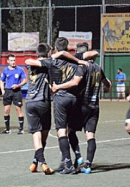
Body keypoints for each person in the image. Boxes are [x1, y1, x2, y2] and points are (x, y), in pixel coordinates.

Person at [25, 37, 96, 174]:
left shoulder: (49, 62)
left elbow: (29, 60)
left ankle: (63, 162)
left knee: (55, 132)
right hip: (72, 100)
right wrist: (79, 60)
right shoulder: (71, 60)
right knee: (68, 130)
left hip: (46, 99)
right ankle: (77, 156)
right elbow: (94, 54)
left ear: (55, 49)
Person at [52, 50, 111, 174]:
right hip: (94, 107)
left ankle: (78, 156)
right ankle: (88, 165)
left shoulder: (83, 67)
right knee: (90, 135)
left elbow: (75, 82)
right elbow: (108, 84)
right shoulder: (99, 68)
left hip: (82, 106)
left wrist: (57, 87)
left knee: (69, 131)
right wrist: (105, 88)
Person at [26, 43, 55, 175]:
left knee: (37, 135)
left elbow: (27, 60)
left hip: (30, 102)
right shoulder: (49, 63)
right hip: (42, 102)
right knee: (43, 135)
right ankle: (43, 163)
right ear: (48, 53)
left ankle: (35, 162)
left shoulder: (31, 63)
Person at [0, 54, 27, 134]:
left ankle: (21, 129)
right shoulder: (5, 70)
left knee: (18, 109)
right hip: (8, 91)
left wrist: (18, 85)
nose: (13, 62)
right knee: (6, 110)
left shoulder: (20, 69)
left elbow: (24, 80)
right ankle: (7, 129)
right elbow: (1, 80)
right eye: (11, 60)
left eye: (14, 60)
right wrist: (2, 90)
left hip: (17, 91)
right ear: (8, 61)